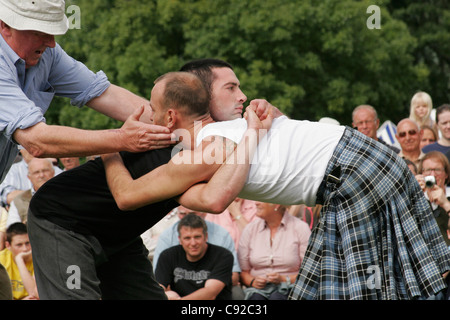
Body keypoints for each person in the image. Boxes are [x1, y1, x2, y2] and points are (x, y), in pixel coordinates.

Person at [102, 71, 450, 300]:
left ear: (170, 118)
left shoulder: (205, 149)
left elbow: (127, 196)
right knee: (337, 288)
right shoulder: (237, 126)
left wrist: (108, 146)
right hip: (363, 159)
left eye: (153, 107)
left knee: (365, 292)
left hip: (351, 173)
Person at [27, 61, 275, 299]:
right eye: (231, 88)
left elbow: (212, 199)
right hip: (63, 222)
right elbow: (126, 197)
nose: (242, 96)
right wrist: (111, 145)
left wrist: (265, 116)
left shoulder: (212, 146)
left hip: (118, 234)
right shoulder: (180, 151)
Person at [0, 0, 174, 184]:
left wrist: (184, 128)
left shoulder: (47, 55)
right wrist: (122, 139)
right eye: (40, 33)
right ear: (5, 26)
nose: (51, 43)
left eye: (52, 32)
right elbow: (36, 140)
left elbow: (103, 94)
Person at [153, 206, 243, 300]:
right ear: (180, 240)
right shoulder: (168, 255)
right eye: (187, 238)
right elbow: (158, 287)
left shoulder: (223, 255)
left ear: (206, 236)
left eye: (197, 237)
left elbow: (210, 293)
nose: (193, 243)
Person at [238, 202, 311, 300]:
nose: (256, 203)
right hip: (258, 290)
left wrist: (284, 279)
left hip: (290, 288)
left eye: (261, 200)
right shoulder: (250, 229)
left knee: (277, 297)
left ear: (276, 205)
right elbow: (243, 272)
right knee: (256, 299)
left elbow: (309, 272)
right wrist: (252, 281)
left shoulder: (300, 228)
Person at [6, 158, 55, 227]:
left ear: (53, 173)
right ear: (29, 177)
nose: (41, 175)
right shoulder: (18, 201)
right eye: (36, 172)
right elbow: (13, 229)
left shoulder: (65, 195)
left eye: (45, 171)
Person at [416, 151, 450, 246]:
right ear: (422, 173)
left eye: (437, 170)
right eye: (428, 170)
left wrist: (446, 204)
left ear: (446, 174)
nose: (433, 174)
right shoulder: (417, 198)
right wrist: (415, 194)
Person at [0, 223, 37, 300]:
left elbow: (34, 292)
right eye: (19, 245)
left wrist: (19, 260)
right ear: (8, 246)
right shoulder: (1, 259)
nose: (25, 249)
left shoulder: (37, 259)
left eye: (27, 243)